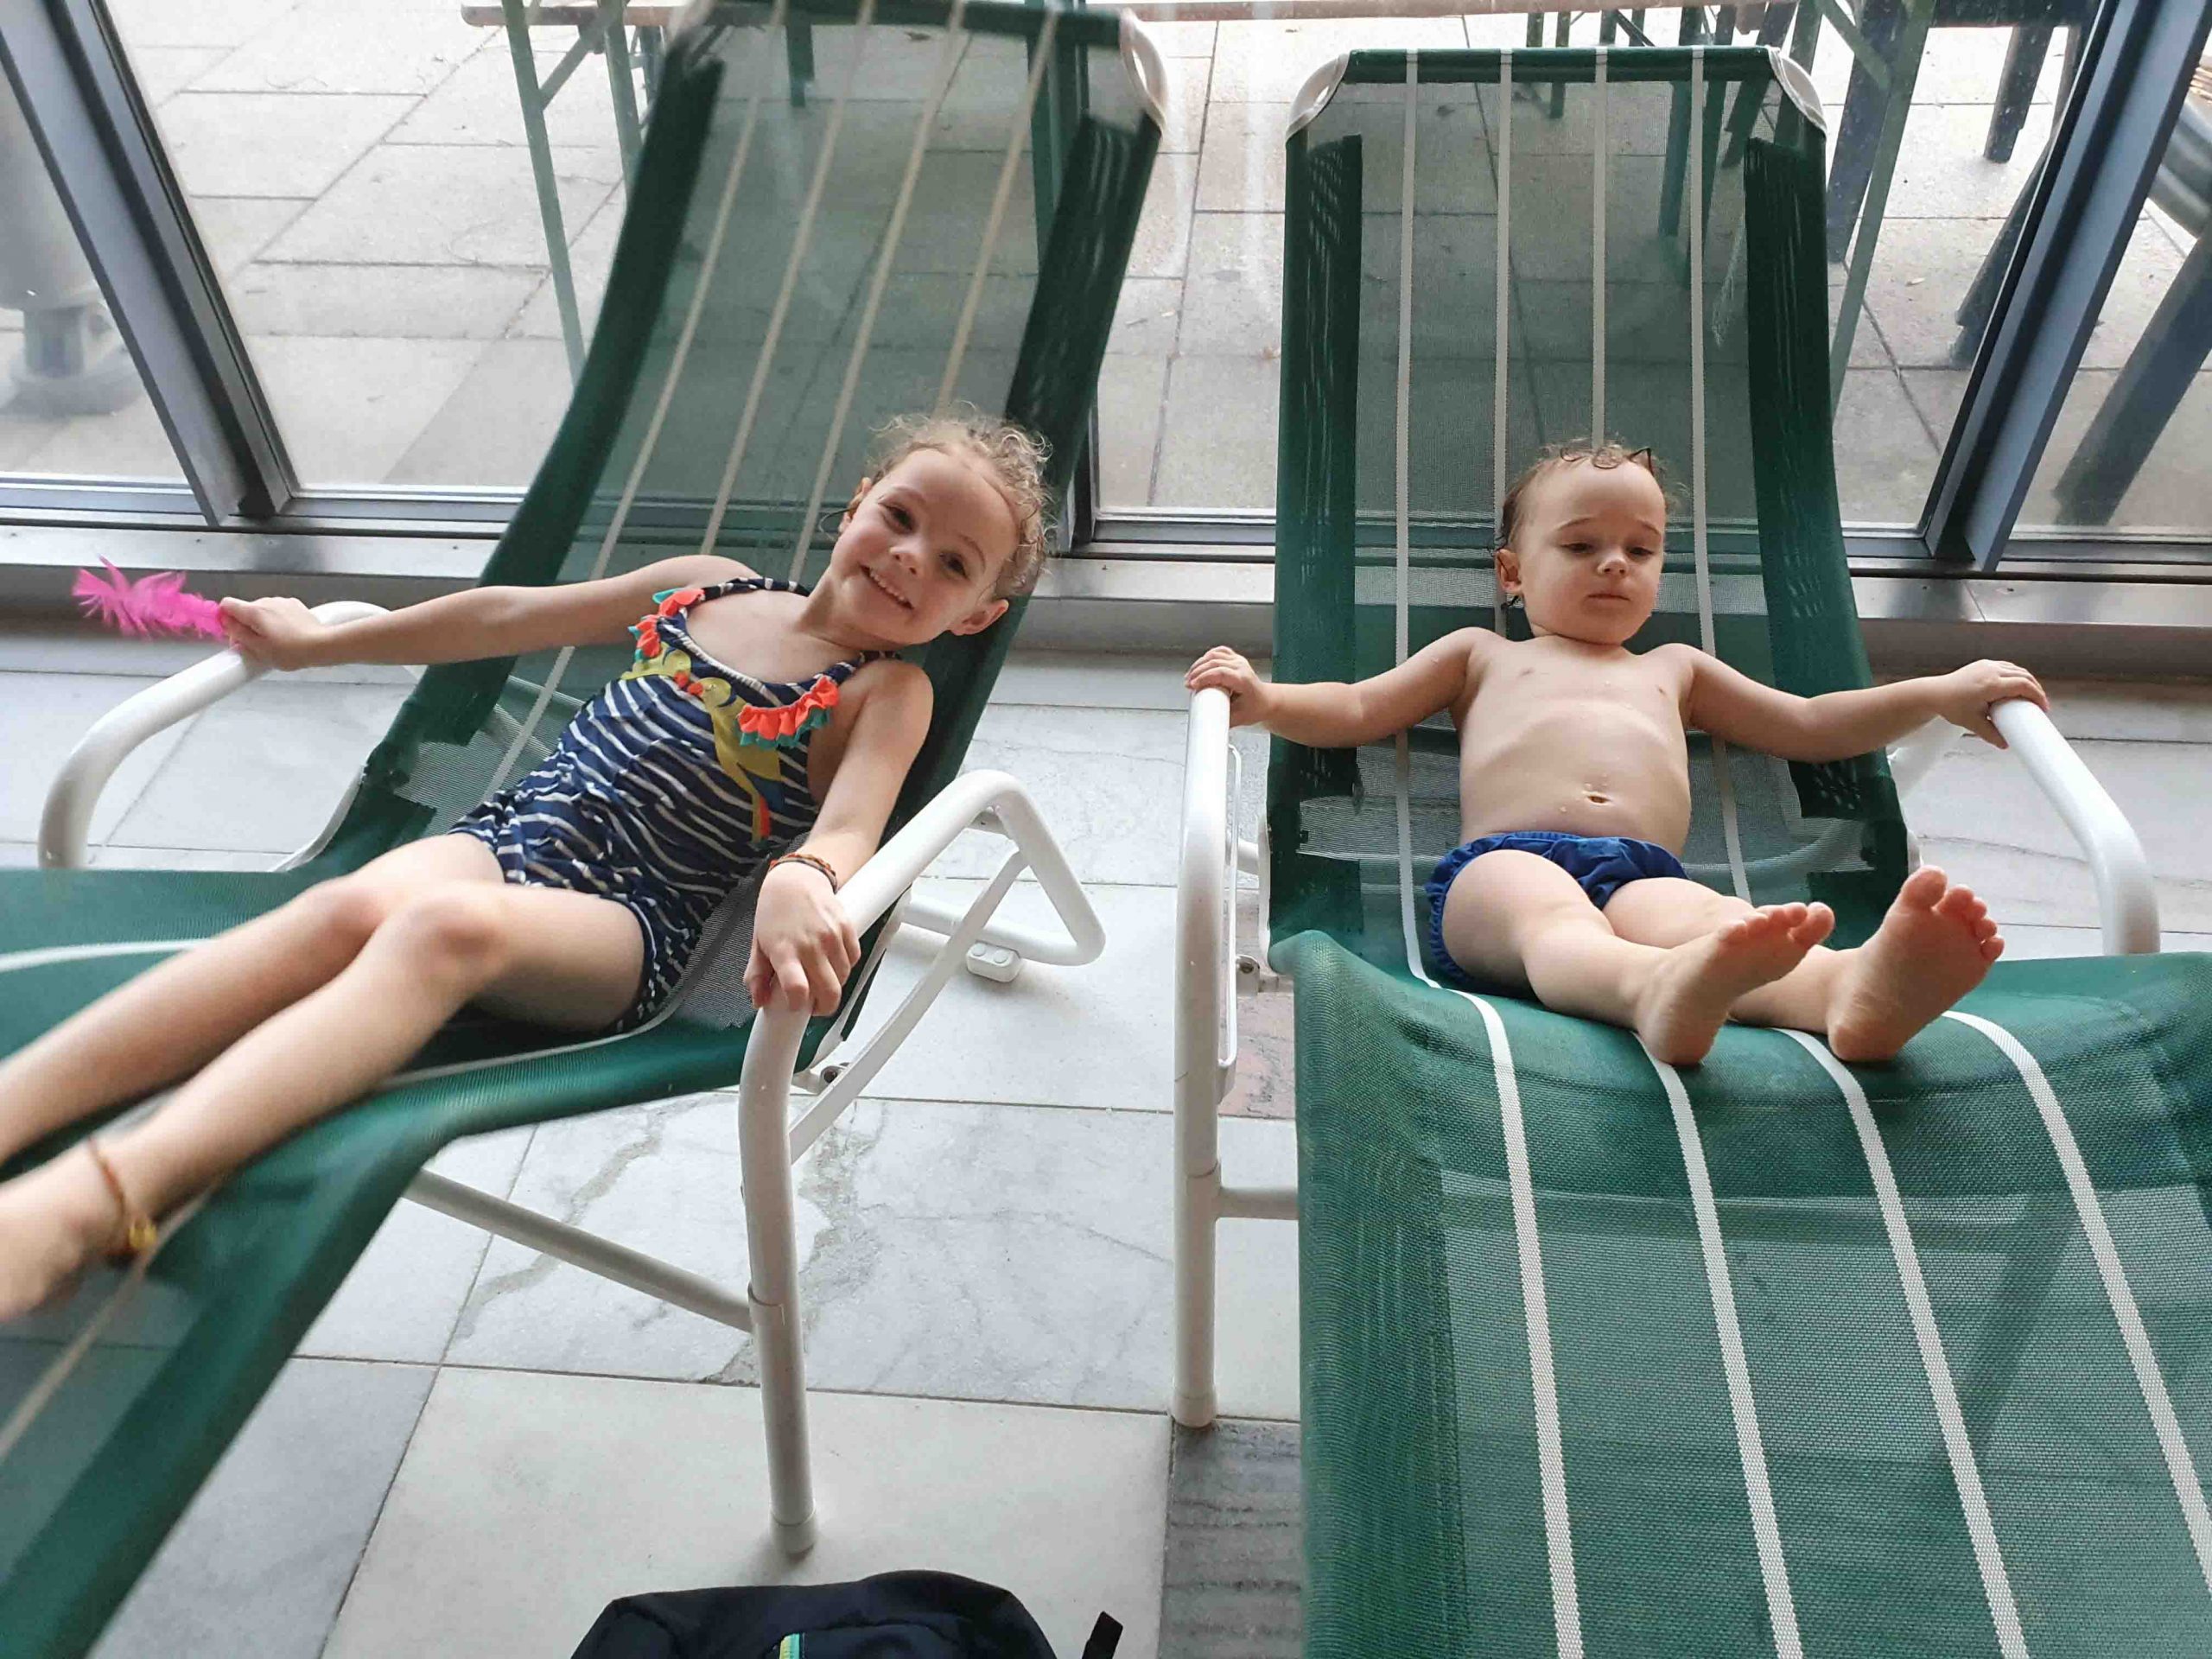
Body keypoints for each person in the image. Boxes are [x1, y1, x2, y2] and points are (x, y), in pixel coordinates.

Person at [0, 410, 1048, 1319]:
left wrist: (802, 877)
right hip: (511, 834)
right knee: (342, 910)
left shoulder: (884, 694)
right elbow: (506, 617)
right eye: (900, 516)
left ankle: (105, 1196)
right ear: (856, 503)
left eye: (955, 564)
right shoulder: (705, 587)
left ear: (976, 617)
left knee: (439, 931)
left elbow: (853, 826)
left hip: (631, 922)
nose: (911, 556)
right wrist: (322, 641)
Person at [1187, 441, 2046, 1071]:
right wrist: (1265, 700)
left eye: (1640, 550)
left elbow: (1812, 723)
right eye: (1579, 546)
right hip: (1500, 868)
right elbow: (1359, 707)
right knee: (1552, 923)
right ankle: (1647, 990)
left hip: (1643, 871)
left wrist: (1935, 692)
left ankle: (1846, 993)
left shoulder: (1676, 670)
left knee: (1718, 925)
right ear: (1512, 573)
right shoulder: (1480, 655)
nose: (1614, 566)